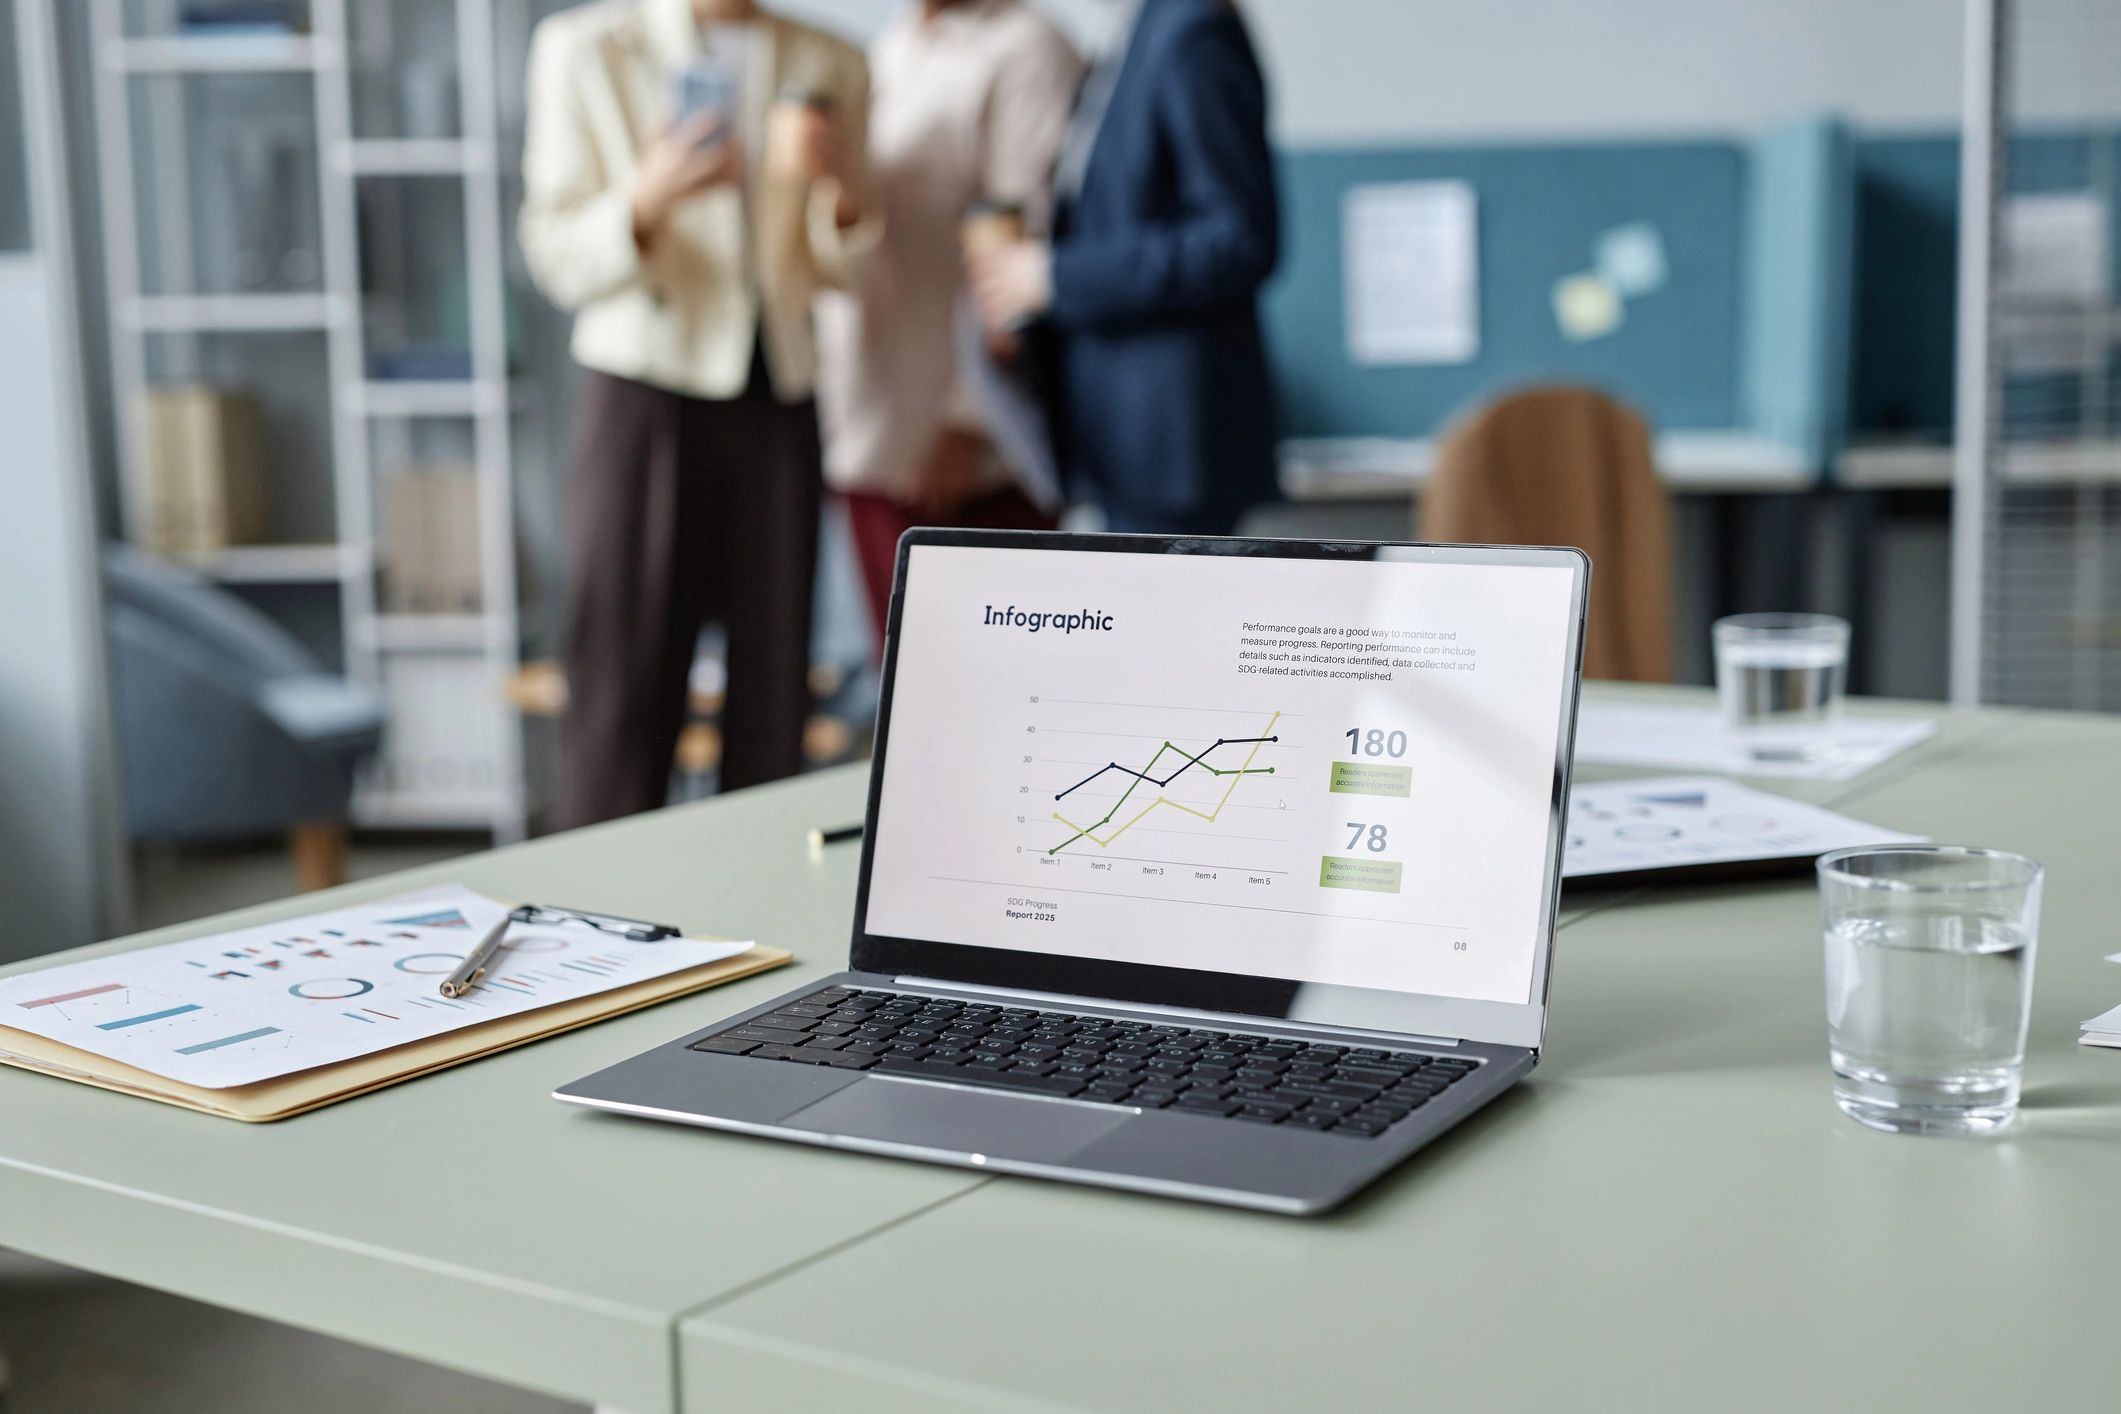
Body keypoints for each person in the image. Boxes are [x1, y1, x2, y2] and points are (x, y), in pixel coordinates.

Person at [519, 0, 879, 826]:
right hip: (642, 392)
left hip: (780, 393)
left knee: (774, 688)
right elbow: (553, 252)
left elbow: (843, 268)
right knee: (620, 689)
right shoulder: (583, 48)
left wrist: (844, 193)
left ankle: (758, 915)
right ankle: (596, 917)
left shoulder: (833, 61)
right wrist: (645, 200)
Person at [814, 0, 1083, 641]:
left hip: (954, 451)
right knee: (904, 694)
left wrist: (969, 420)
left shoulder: (1026, 49)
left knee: (987, 695)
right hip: (868, 424)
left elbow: (1020, 248)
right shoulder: (895, 47)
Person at [969, 0, 1279, 537]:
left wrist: (1058, 277)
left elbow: (1238, 237)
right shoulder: (1132, 32)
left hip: (1173, 444)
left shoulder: (1193, 32)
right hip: (1119, 437)